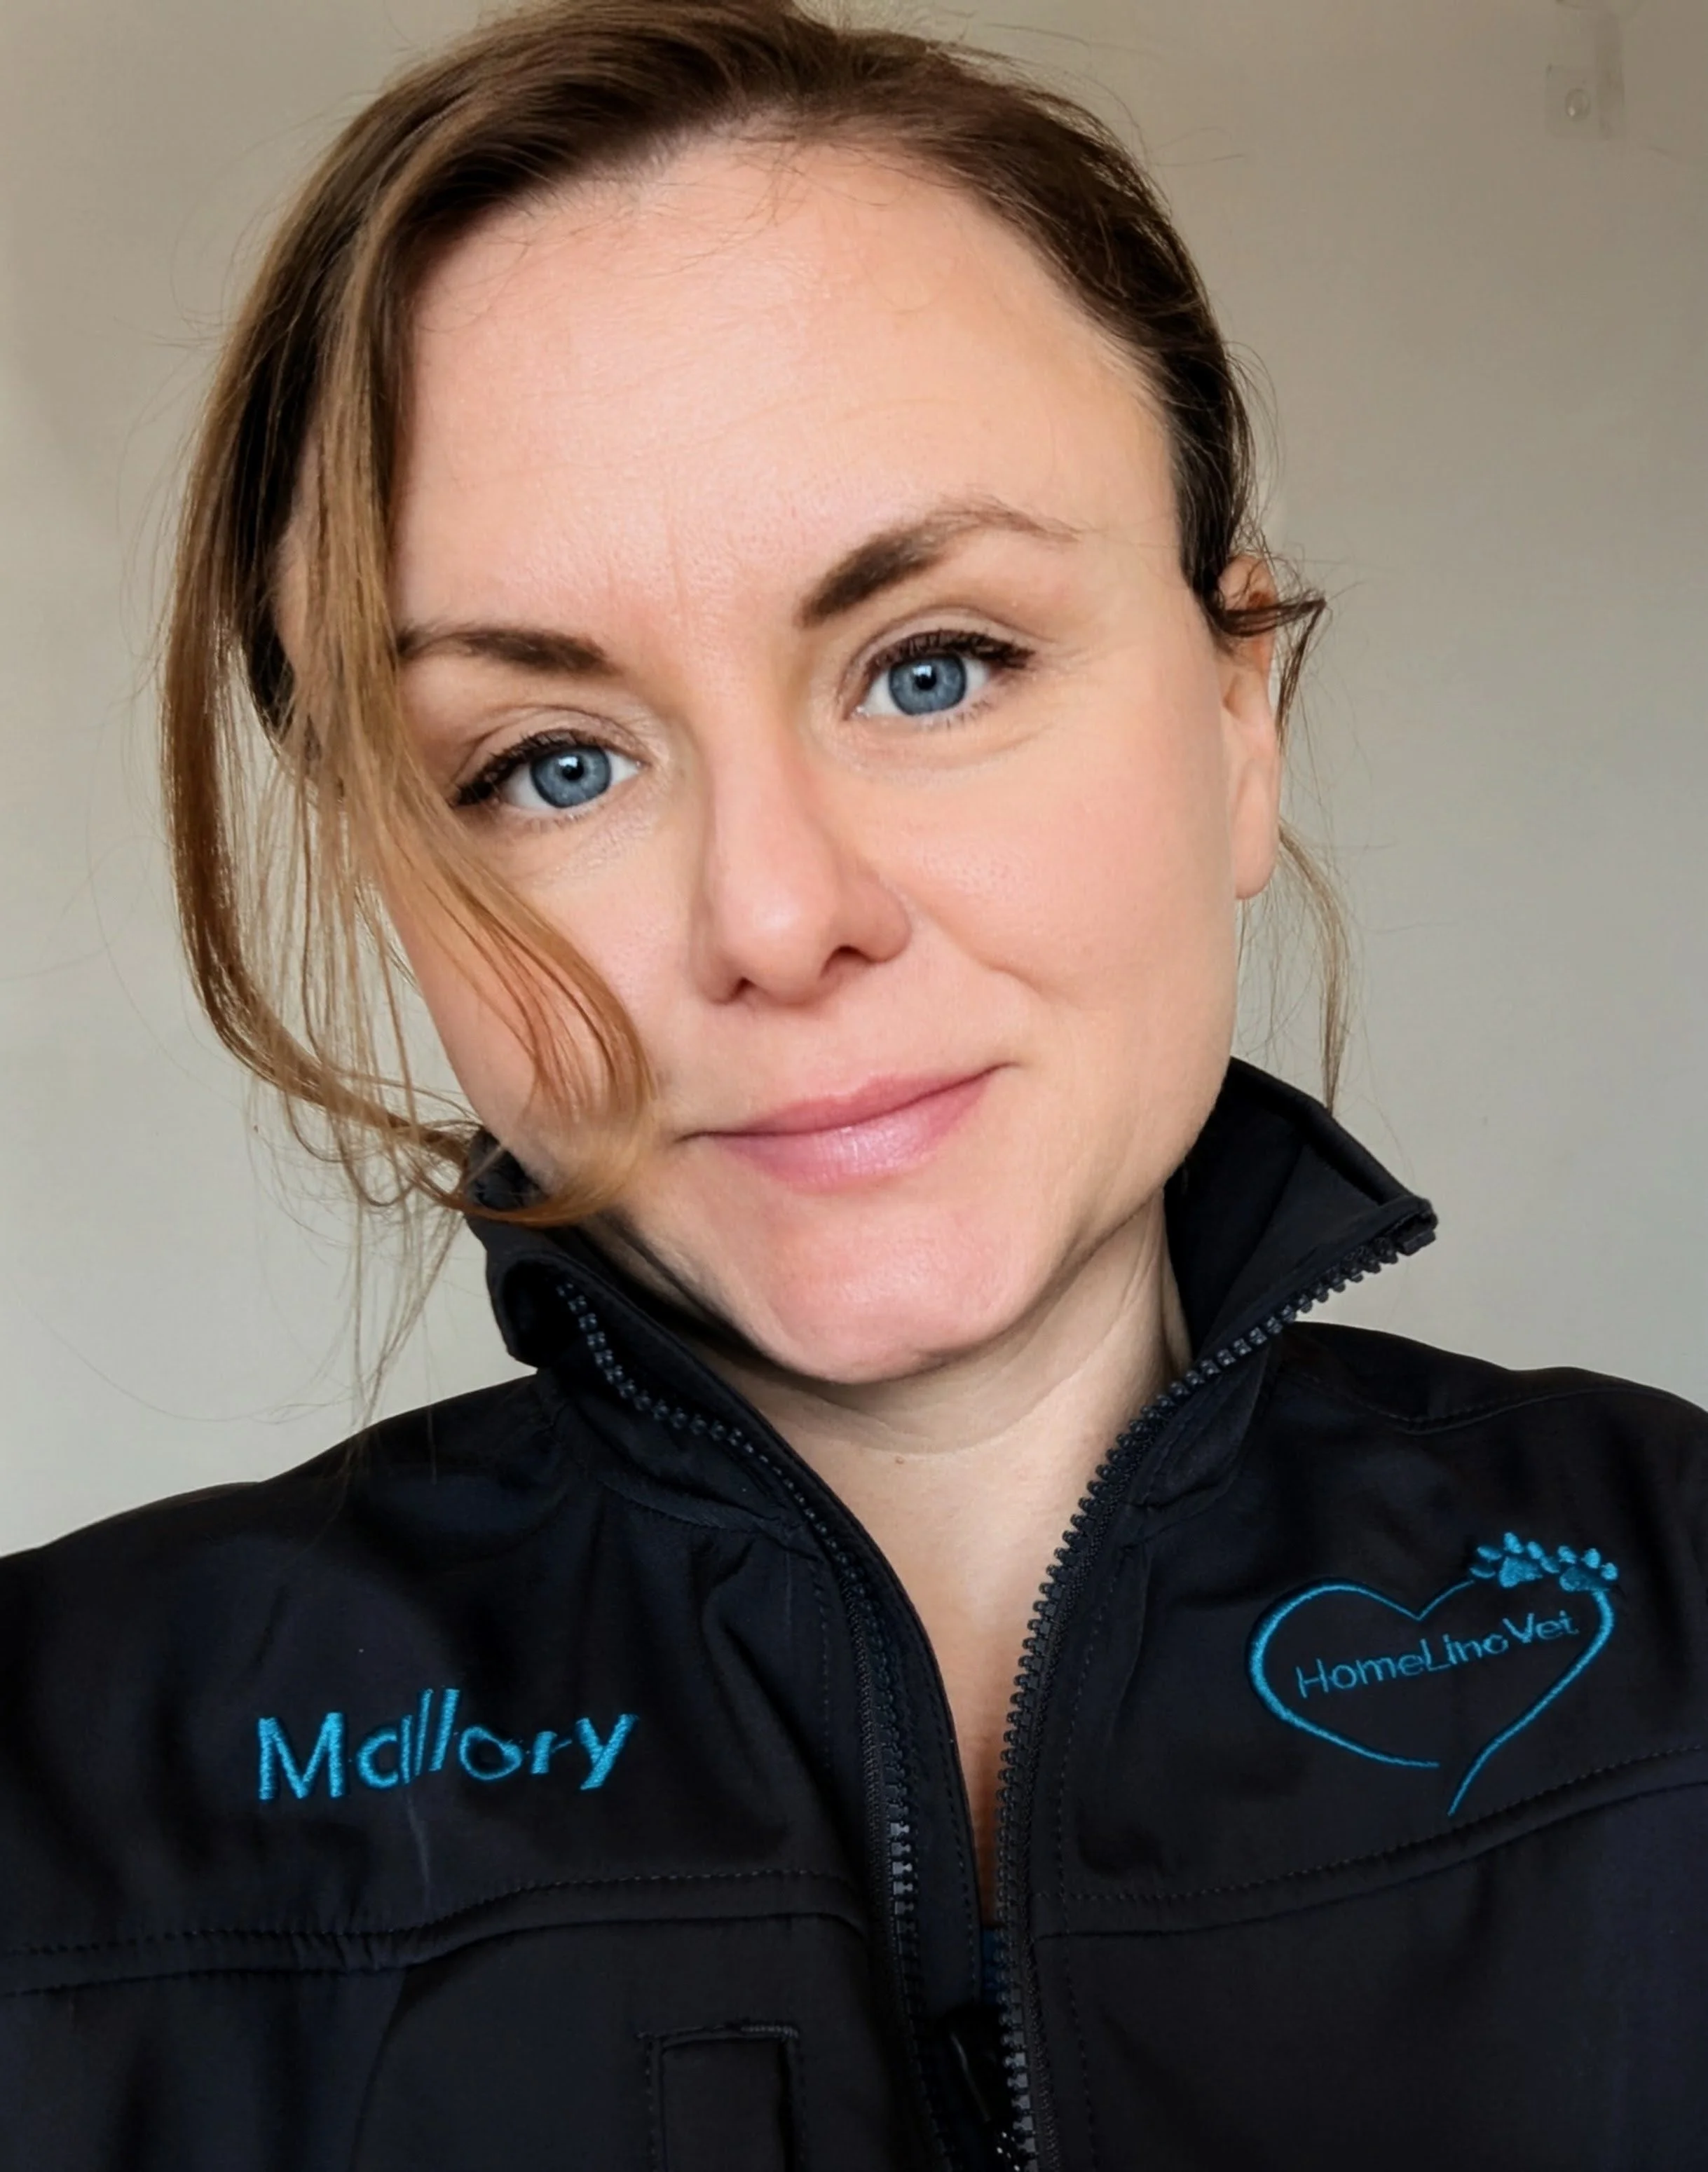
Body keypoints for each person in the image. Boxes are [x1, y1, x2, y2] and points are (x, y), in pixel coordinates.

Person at [1, 2, 1703, 2166]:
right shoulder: (58, 1786)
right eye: (550, 764)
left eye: (933, 666)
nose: (778, 914)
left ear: (1235, 716)